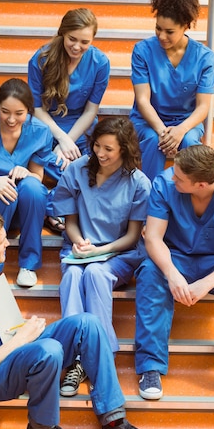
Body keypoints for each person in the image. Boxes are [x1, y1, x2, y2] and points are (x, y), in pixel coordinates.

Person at [0, 211, 158, 429]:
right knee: (50, 351)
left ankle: (113, 420)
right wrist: (23, 339)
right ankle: (41, 428)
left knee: (88, 323)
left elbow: (5, 323)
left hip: (10, 348)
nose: (8, 244)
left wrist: (24, 328)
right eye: (1, 242)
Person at [134, 145, 214, 403]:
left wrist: (205, 284)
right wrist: (171, 273)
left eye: (180, 177)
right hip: (175, 257)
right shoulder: (164, 183)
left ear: (201, 185)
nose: (173, 178)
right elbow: (154, 238)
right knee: (149, 271)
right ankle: (150, 367)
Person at [52, 117, 151, 397]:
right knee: (72, 275)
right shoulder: (78, 169)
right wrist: (78, 242)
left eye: (108, 148)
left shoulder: (138, 182)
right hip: (79, 251)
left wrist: (101, 251)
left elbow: (133, 236)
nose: (100, 153)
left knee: (95, 273)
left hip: (118, 254)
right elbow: (70, 221)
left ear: (124, 149)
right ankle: (75, 358)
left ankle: (99, 358)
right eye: (97, 145)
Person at [28, 8, 110, 232]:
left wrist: (68, 142)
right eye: (72, 39)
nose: (77, 47)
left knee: (92, 163)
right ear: (62, 33)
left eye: (84, 42)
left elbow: (91, 110)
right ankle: (59, 208)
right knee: (49, 159)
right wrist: (61, 140)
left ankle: (52, 205)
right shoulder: (41, 58)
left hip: (81, 127)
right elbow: (36, 108)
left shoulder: (100, 62)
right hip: (46, 124)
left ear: (92, 40)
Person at [0, 78, 52, 288]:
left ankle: (28, 265)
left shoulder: (40, 132)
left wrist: (27, 173)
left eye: (19, 113)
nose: (11, 119)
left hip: (21, 203)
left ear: (29, 111)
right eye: (5, 111)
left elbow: (38, 177)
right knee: (2, 192)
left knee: (33, 188)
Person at [129, 0, 214, 181]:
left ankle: (187, 201)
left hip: (185, 121)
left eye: (169, 32)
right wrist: (163, 131)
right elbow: (142, 100)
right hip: (149, 121)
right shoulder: (142, 51)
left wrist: (181, 130)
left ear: (185, 26)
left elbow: (203, 107)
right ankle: (150, 201)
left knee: (191, 142)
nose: (161, 35)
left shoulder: (204, 57)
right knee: (152, 140)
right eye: (158, 28)